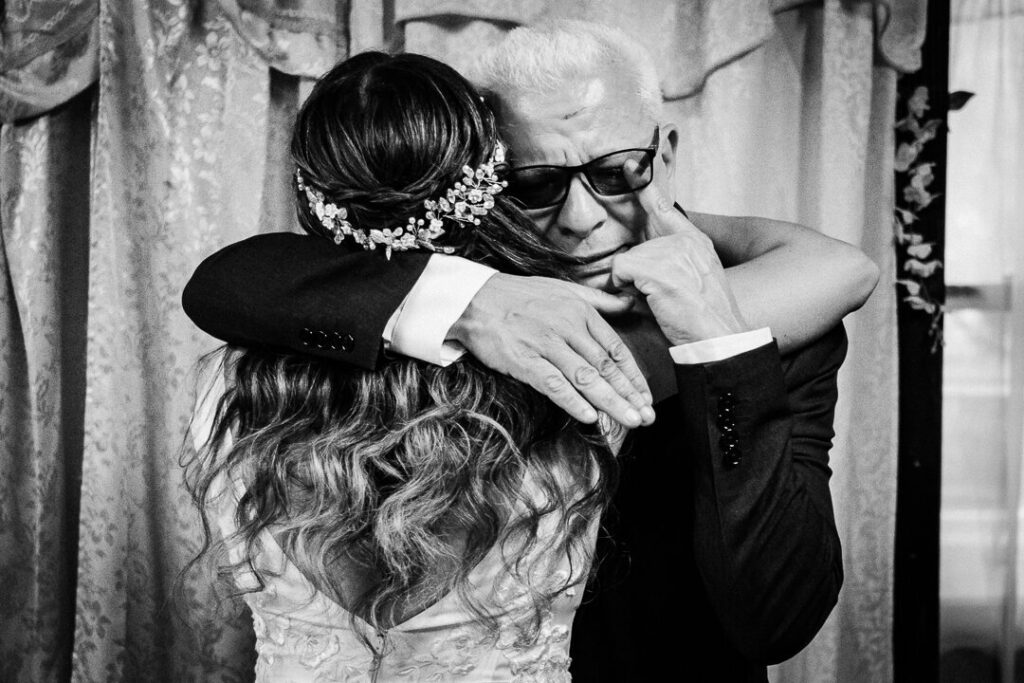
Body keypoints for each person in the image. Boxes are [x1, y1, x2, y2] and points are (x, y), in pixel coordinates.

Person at [183, 23, 878, 682]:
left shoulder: (779, 320)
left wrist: (721, 343)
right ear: (481, 182)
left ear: (664, 154)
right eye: (537, 184)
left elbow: (779, 622)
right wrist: (471, 302)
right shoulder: (446, 314)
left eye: (618, 172)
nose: (582, 218)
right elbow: (231, 281)